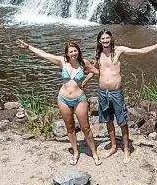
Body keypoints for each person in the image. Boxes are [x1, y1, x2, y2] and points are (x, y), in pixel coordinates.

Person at [16, 38, 101, 166]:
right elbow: (44, 55)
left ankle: (94, 153)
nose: (73, 53)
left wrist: (84, 82)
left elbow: (97, 72)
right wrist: (28, 47)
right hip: (63, 99)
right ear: (67, 53)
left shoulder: (84, 63)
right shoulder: (62, 62)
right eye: (71, 51)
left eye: (75, 50)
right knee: (70, 128)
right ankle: (76, 152)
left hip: (80, 99)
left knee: (86, 128)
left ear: (78, 51)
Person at [95, 29, 157, 164]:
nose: (105, 41)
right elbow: (95, 70)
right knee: (108, 121)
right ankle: (113, 147)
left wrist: (156, 46)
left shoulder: (119, 50)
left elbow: (139, 51)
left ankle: (126, 149)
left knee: (122, 121)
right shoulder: (98, 53)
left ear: (111, 38)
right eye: (103, 39)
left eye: (107, 38)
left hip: (116, 92)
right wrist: (83, 82)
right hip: (102, 92)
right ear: (99, 41)